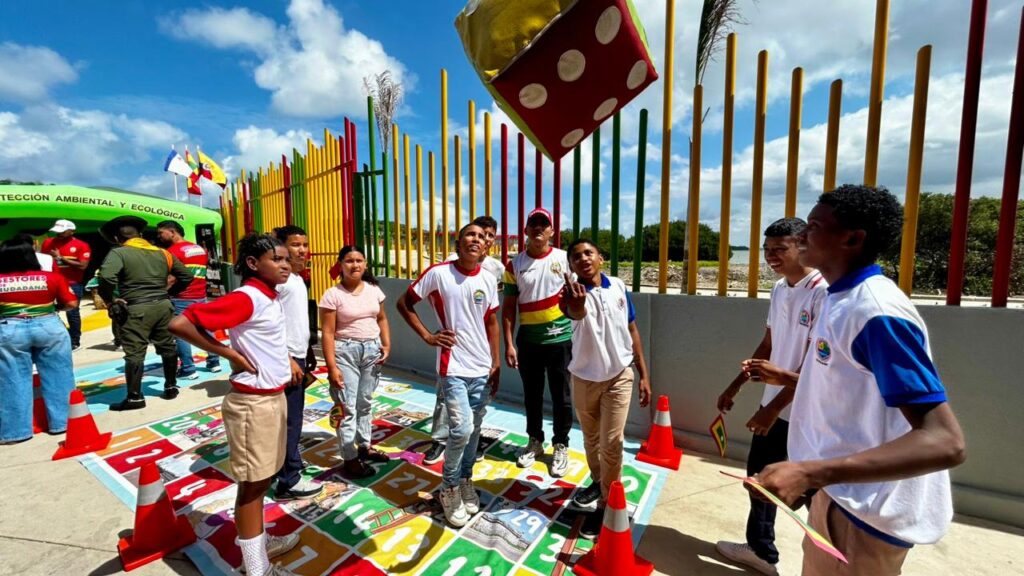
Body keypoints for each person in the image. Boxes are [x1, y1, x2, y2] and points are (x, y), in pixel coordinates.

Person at [756, 185, 966, 575]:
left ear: (852, 239)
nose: (801, 236)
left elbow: (945, 441)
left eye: (814, 226)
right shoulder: (839, 299)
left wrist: (809, 472)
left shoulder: (876, 312)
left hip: (868, 512)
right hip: (842, 497)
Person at [169, 233, 300, 576]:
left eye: (287, 259)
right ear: (254, 264)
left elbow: (265, 339)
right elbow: (180, 322)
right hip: (252, 405)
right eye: (278, 259)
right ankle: (256, 568)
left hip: (272, 398)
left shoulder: (269, 296)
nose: (286, 265)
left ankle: (256, 541)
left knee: (264, 477)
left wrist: (286, 360)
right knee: (253, 485)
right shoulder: (247, 297)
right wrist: (227, 353)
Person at [714, 218, 827, 576]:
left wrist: (773, 409)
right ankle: (761, 551)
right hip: (773, 407)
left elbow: (816, 365)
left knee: (811, 492)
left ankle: (831, 555)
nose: (771, 256)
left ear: (803, 246)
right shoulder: (779, 289)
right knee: (759, 480)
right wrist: (736, 385)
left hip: (808, 414)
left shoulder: (824, 293)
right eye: (767, 250)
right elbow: (768, 344)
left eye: (780, 249)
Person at [396, 223, 500, 528]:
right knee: (461, 429)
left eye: (482, 237)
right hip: (453, 368)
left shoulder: (488, 278)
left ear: (486, 247)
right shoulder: (439, 273)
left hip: (482, 368)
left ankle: (466, 479)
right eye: (471, 234)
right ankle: (450, 486)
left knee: (475, 429)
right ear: (459, 241)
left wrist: (496, 364)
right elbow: (404, 303)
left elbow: (491, 323)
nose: (476, 239)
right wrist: (428, 336)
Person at [561, 238, 651, 539]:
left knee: (612, 443)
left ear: (600, 257)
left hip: (619, 376)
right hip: (584, 379)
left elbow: (632, 330)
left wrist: (644, 375)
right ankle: (599, 480)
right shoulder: (570, 293)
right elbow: (573, 312)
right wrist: (576, 306)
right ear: (571, 265)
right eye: (576, 256)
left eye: (588, 253)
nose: (583, 259)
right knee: (592, 440)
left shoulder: (619, 287)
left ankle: (606, 506)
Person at [424, 215, 503, 465]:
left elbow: (490, 318)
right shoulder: (446, 267)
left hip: (478, 356)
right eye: (477, 233)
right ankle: (439, 442)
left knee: (472, 415)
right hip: (453, 355)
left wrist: (495, 357)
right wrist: (429, 335)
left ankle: (468, 456)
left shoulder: (494, 271)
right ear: (460, 241)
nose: (483, 239)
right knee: (444, 400)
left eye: (489, 235)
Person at [502, 207, 574, 477]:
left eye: (544, 224)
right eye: (533, 224)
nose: (538, 228)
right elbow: (509, 308)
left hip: (561, 341)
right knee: (532, 395)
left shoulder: (565, 259)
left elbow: (577, 297)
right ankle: (535, 440)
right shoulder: (514, 265)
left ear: (552, 231)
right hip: (529, 342)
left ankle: (561, 444)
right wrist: (509, 343)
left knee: (561, 396)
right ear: (525, 231)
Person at [97, 216, 193, 411]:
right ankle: (171, 386)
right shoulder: (163, 253)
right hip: (163, 307)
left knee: (134, 353)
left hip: (135, 309)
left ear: (117, 238)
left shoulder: (120, 253)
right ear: (141, 235)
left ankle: (134, 398)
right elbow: (187, 276)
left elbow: (106, 277)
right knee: (168, 347)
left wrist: (110, 301)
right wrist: (167, 293)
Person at [319, 245, 392, 478]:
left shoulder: (374, 291)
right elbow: (328, 332)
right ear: (340, 265)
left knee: (365, 402)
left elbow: (381, 318)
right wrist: (332, 367)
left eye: (359, 260)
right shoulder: (333, 295)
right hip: (345, 352)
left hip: (371, 350)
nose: (355, 265)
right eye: (349, 261)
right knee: (346, 406)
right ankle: (349, 457)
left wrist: (387, 344)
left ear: (366, 264)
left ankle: (364, 446)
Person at [0, 238, 78, 444]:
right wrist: (51, 310)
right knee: (60, 375)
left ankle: (16, 432)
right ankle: (64, 423)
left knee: (12, 379)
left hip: (9, 329)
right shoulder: (50, 277)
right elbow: (71, 303)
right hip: (49, 326)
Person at [270, 225, 323, 501]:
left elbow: (297, 321)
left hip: (298, 355)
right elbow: (272, 324)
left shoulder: (296, 279)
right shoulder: (280, 281)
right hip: (285, 359)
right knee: (290, 421)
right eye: (295, 244)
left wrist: (308, 351)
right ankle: (288, 480)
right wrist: (289, 357)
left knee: (293, 418)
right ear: (280, 248)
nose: (302, 250)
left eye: (304, 244)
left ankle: (290, 465)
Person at [156, 220, 222, 378]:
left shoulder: (171, 252)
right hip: (200, 295)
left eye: (161, 233)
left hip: (181, 297)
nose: (159, 236)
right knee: (205, 327)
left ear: (172, 232)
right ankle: (214, 361)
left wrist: (160, 292)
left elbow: (171, 278)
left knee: (180, 333)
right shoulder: (198, 248)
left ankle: (188, 368)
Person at [41, 219, 91, 350]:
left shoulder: (81, 245)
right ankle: (56, 338)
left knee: (72, 312)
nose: (59, 234)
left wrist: (60, 258)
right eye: (57, 232)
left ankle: (75, 341)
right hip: (50, 283)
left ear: (71, 231)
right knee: (48, 310)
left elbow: (82, 266)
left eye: (62, 232)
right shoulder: (47, 243)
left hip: (72, 283)